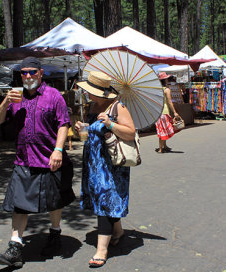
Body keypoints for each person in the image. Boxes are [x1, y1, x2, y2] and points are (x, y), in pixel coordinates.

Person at [0, 57, 75, 268]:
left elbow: (64, 123)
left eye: (32, 72)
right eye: (23, 73)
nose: (27, 76)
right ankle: (15, 247)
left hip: (49, 159)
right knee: (19, 205)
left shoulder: (53, 95)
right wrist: (5, 102)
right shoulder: (15, 97)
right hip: (23, 160)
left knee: (53, 202)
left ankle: (55, 233)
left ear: (40, 73)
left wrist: (58, 150)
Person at [75, 71, 135, 268]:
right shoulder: (92, 106)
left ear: (101, 93)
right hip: (93, 163)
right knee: (105, 200)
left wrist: (110, 124)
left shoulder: (118, 106)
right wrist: (82, 130)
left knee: (105, 201)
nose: (87, 94)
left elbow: (130, 132)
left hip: (111, 165)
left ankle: (102, 250)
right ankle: (117, 231)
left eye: (90, 91)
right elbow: (88, 137)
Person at [155, 72, 180, 153]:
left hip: (158, 112)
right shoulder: (167, 90)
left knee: (162, 130)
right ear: (165, 79)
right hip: (165, 111)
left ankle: (164, 146)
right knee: (164, 130)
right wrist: (175, 112)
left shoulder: (157, 90)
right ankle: (160, 148)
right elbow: (169, 102)